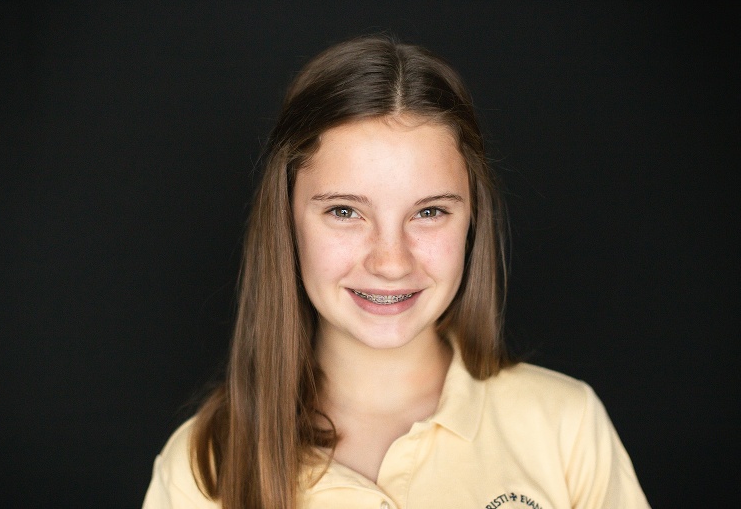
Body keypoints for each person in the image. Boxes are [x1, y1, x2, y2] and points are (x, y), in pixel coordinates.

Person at [142, 36, 650, 509]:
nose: (391, 262)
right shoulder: (204, 465)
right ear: (287, 221)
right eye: (345, 211)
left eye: (429, 212)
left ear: (472, 220)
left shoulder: (564, 425)